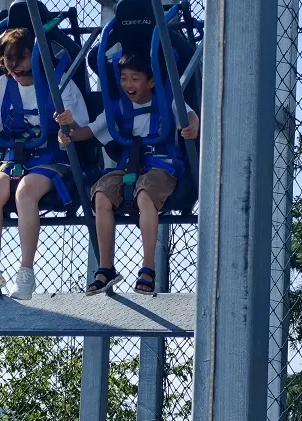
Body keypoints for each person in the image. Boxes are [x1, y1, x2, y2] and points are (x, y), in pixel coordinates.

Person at [0, 26, 89, 299]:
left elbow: (83, 127)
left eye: (22, 58)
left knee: (24, 192)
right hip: (16, 158)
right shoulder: (2, 86)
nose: (15, 66)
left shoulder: (60, 83)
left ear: (36, 57)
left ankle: (26, 271)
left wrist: (69, 125)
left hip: (51, 157)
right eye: (10, 59)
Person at [56, 51, 199, 295]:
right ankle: (106, 267)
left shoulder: (168, 101)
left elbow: (190, 115)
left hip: (161, 166)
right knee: (101, 194)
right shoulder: (117, 108)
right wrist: (68, 130)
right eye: (124, 78)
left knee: (144, 195)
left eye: (135, 79)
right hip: (126, 166)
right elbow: (88, 131)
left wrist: (193, 125)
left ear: (151, 81)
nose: (128, 85)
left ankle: (148, 267)